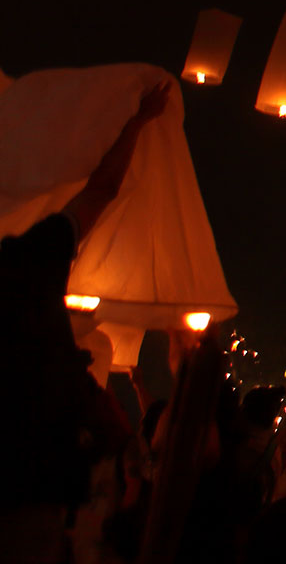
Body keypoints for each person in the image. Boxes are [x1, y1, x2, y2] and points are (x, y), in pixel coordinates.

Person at [0, 70, 171, 564]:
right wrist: (137, 122)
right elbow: (100, 191)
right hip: (33, 481)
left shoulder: (31, 259)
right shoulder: (30, 260)